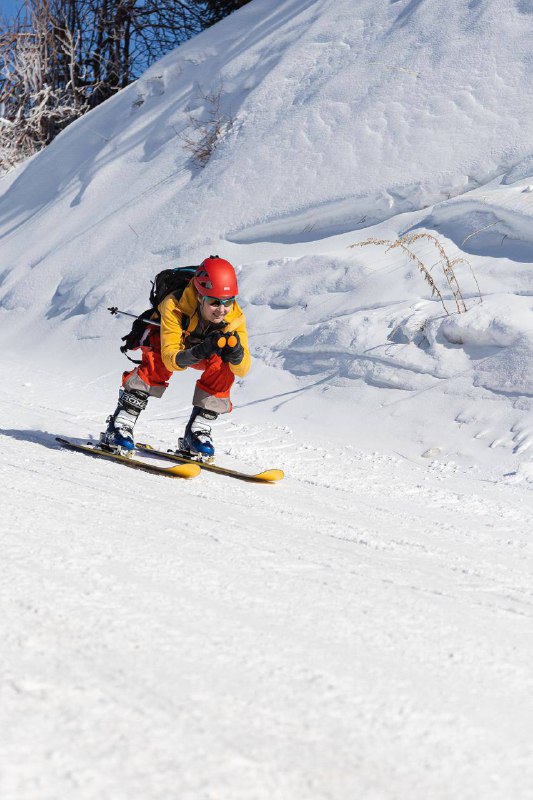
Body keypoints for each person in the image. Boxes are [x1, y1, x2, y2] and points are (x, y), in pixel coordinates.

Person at [100, 256, 250, 459]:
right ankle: (120, 424)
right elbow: (171, 357)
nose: (222, 310)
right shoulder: (174, 304)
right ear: (199, 296)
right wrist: (200, 351)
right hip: (165, 342)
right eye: (214, 302)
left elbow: (242, 369)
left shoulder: (234, 316)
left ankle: (198, 432)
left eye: (228, 301)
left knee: (224, 364)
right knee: (158, 362)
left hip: (198, 348)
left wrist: (236, 355)